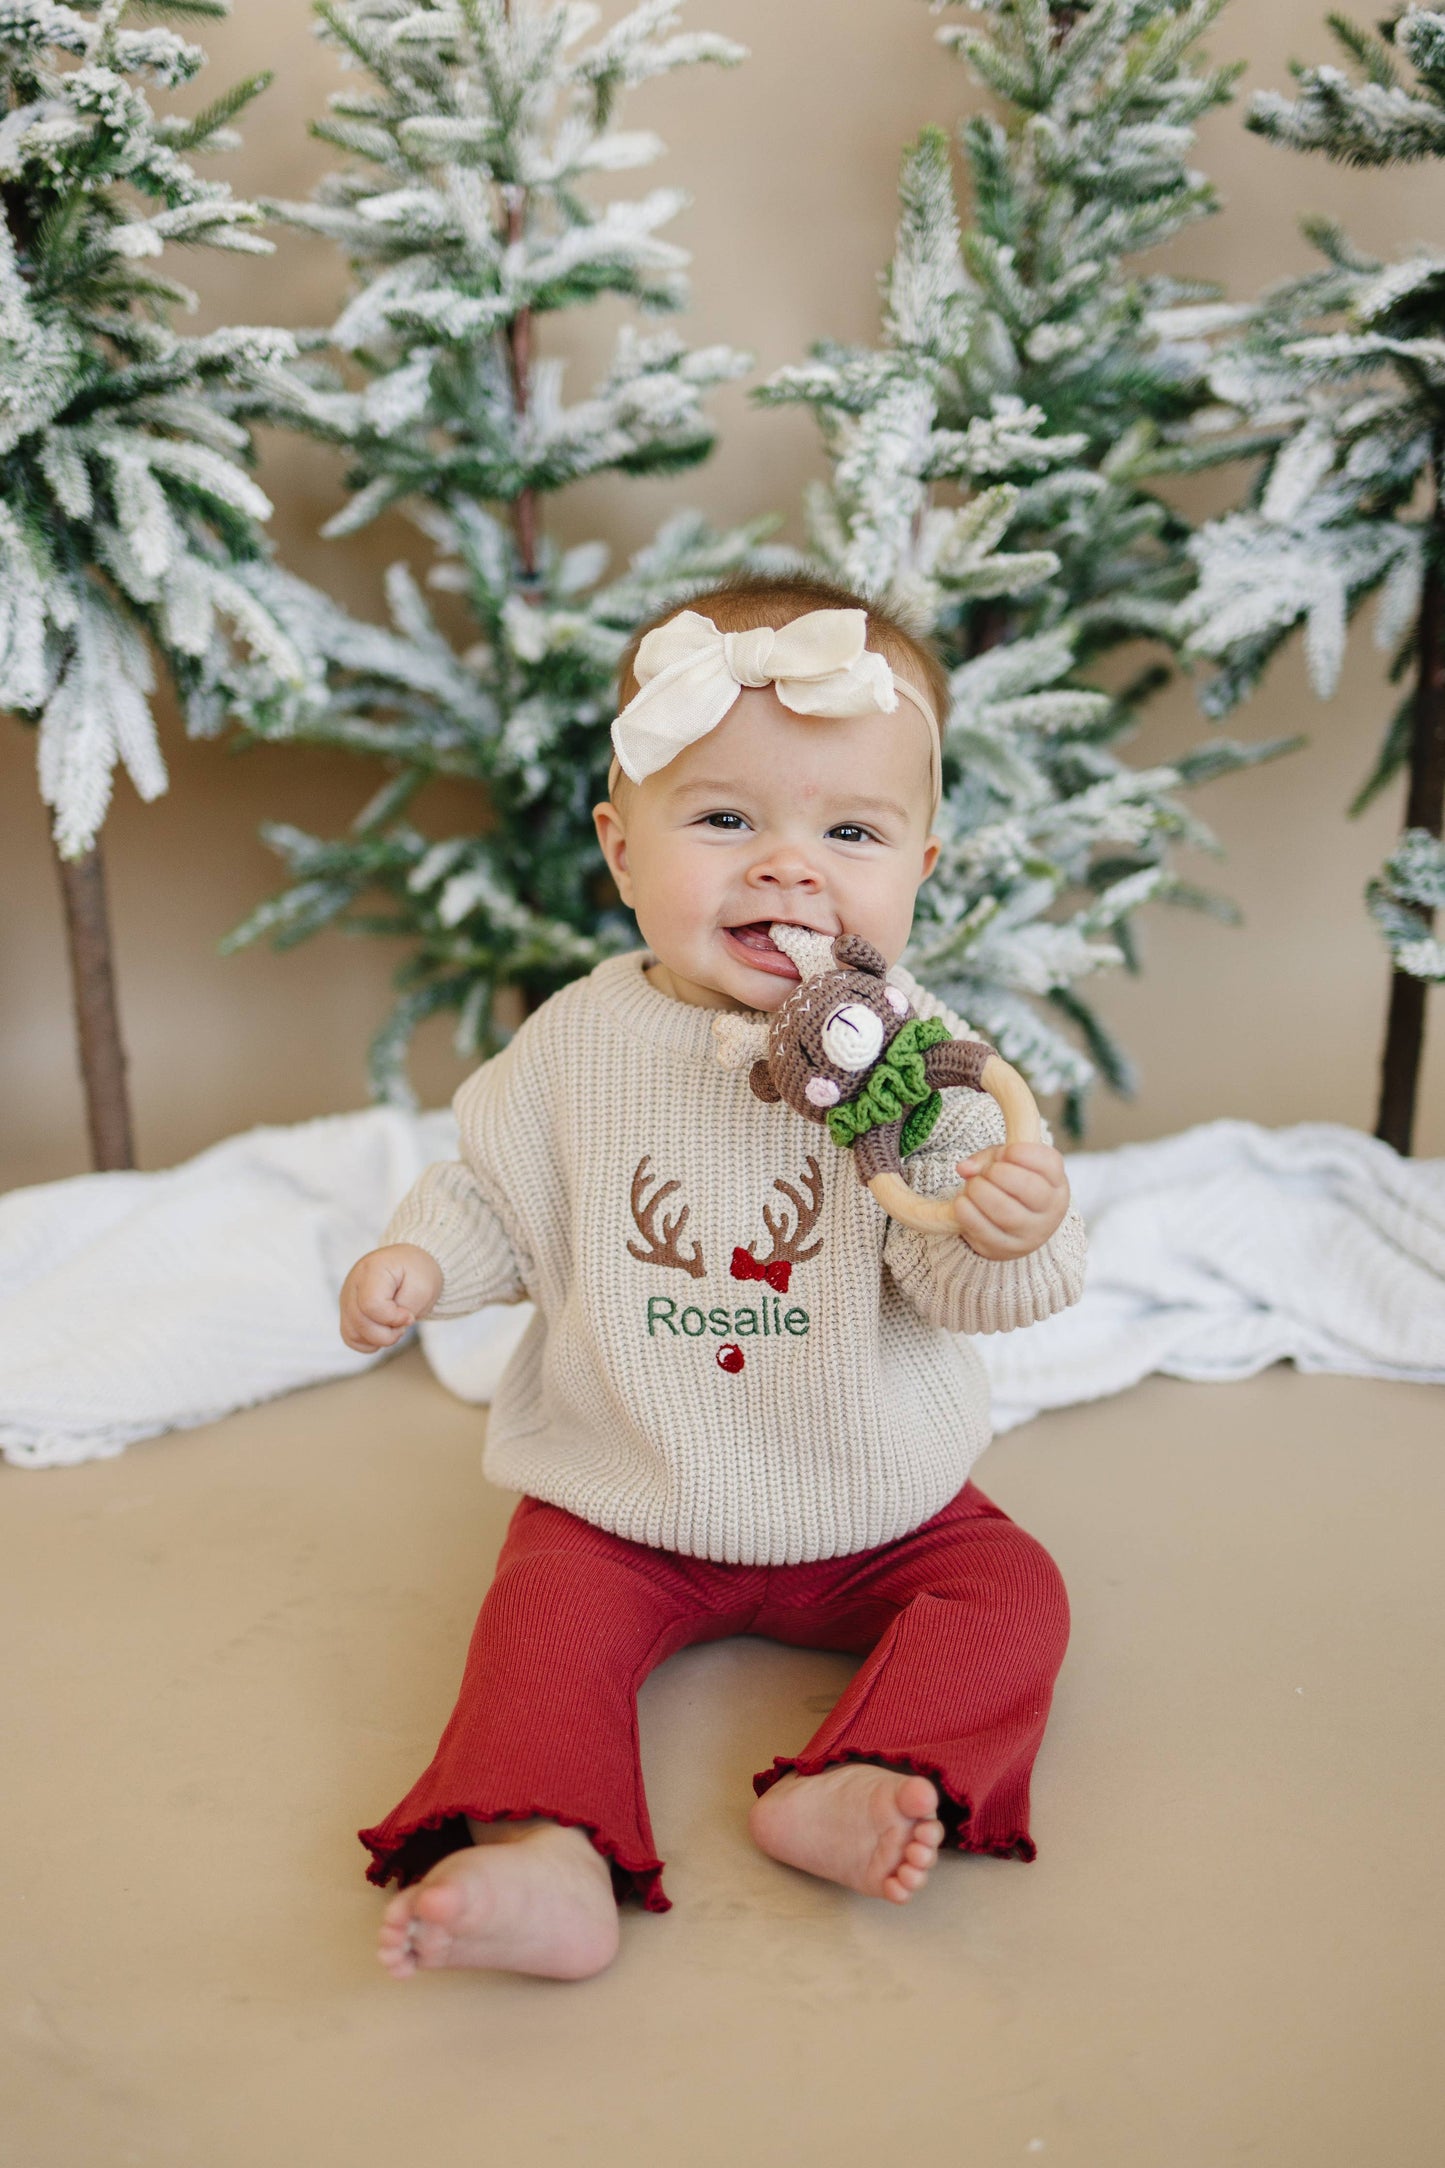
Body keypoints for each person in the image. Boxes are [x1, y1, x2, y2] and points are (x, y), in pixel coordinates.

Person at [339, 573, 1087, 1982]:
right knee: (537, 1622)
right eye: (726, 819)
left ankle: (858, 1775)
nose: (788, 867)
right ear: (621, 850)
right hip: (625, 1489)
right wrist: (421, 1259)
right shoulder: (577, 1045)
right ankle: (546, 1850)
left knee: (1015, 1592)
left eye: (848, 831)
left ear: (919, 868)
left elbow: (975, 1286)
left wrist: (1004, 1228)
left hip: (876, 1498)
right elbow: (506, 1196)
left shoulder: (918, 1061)